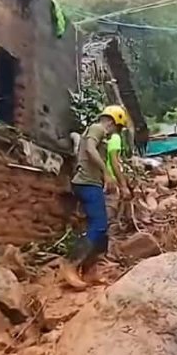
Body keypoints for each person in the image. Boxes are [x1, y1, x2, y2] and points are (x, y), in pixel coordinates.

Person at [60, 105, 129, 289]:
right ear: (112, 121)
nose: (117, 132)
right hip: (86, 183)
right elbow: (90, 149)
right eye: (118, 127)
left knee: (101, 230)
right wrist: (106, 172)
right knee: (98, 225)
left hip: (93, 183)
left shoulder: (101, 135)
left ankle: (90, 271)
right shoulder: (97, 128)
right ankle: (70, 264)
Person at [106, 127, 133, 232]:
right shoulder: (116, 138)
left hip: (102, 177)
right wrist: (123, 185)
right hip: (112, 178)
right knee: (110, 214)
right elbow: (114, 161)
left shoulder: (105, 138)